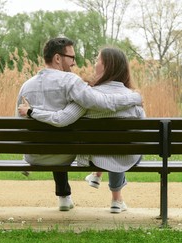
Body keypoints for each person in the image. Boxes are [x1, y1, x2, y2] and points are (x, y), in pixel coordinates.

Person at [16, 38, 142, 212]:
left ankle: (64, 196)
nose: (75, 63)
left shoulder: (26, 86)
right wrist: (134, 97)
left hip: (32, 156)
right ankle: (113, 194)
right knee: (64, 139)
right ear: (58, 59)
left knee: (57, 135)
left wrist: (32, 112)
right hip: (63, 153)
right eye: (72, 57)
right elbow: (99, 102)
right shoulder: (71, 82)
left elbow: (20, 123)